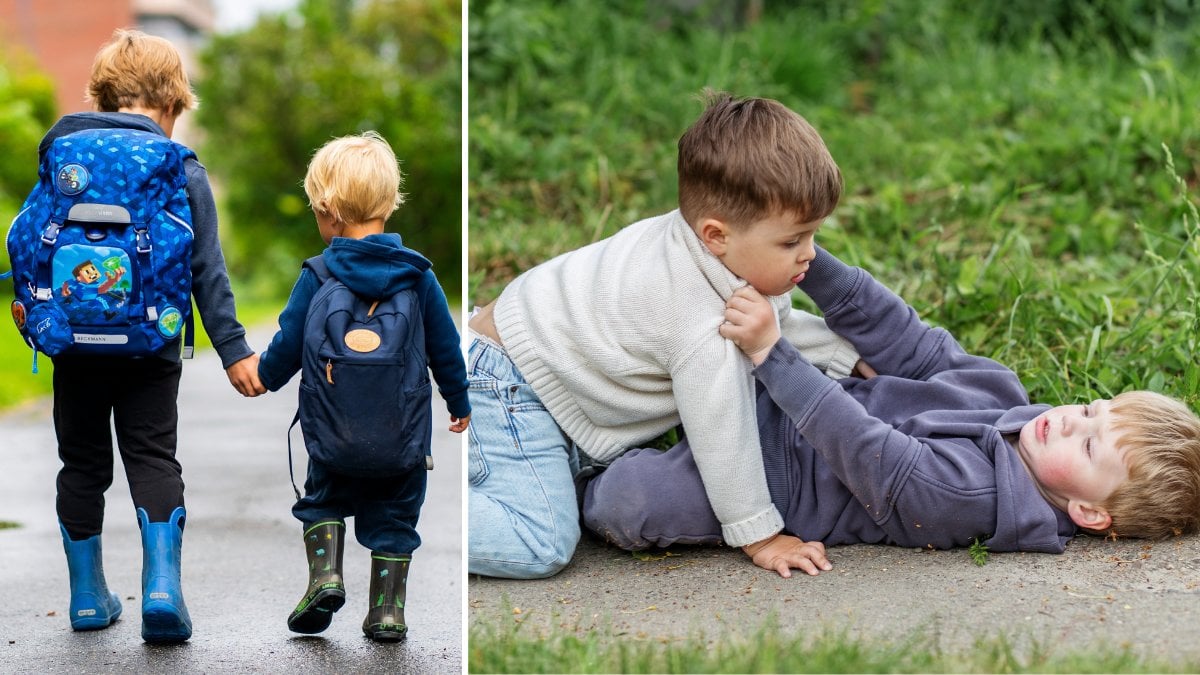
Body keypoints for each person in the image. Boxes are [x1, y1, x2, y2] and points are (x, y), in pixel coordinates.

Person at [583, 245, 1200, 573]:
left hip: (779, 484)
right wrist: (809, 262)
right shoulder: (1004, 397)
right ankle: (582, 388)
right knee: (683, 344)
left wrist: (774, 353)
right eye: (1092, 408)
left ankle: (572, 476)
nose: (1072, 420)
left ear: (1090, 512)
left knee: (632, 503)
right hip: (783, 400)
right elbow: (911, 341)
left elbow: (868, 451)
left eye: (1088, 446)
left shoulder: (976, 500)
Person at [468, 91, 863, 580]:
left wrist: (844, 351)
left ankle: (482, 467)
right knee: (541, 541)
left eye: (811, 235)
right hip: (510, 385)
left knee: (547, 483)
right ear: (717, 234)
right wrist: (760, 534)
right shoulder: (697, 322)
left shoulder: (707, 251)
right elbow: (723, 434)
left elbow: (767, 330)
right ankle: (419, 518)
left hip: (537, 369)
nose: (809, 254)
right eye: (792, 241)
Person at [46, 29, 264, 643]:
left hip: (76, 343)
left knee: (81, 463)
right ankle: (162, 592)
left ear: (103, 95)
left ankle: (88, 598)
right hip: (152, 345)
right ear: (172, 103)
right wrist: (234, 351)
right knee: (151, 456)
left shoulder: (66, 157)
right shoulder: (180, 168)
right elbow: (207, 271)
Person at [257, 131, 470, 642]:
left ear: (328, 209)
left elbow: (288, 343)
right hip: (402, 438)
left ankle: (326, 576)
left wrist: (262, 376)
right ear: (389, 203)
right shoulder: (418, 277)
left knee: (322, 501)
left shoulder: (319, 273)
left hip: (333, 436)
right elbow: (446, 347)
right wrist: (459, 400)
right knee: (396, 518)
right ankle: (387, 611)